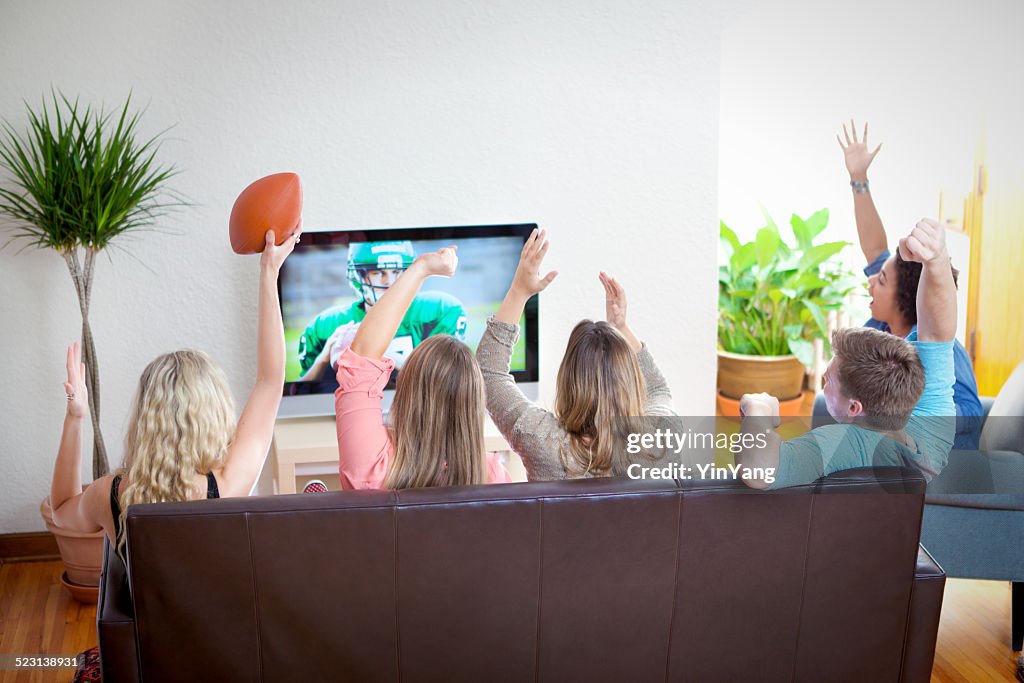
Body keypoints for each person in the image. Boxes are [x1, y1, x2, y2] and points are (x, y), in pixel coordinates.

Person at [49, 230, 299, 557]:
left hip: (145, 612)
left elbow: (62, 510)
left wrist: (75, 415)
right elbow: (271, 379)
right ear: (213, 414)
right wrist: (269, 271)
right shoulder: (226, 486)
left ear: (145, 416)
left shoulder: (110, 495)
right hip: (221, 611)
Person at [736, 219, 958, 489]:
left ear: (855, 407)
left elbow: (759, 473)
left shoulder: (844, 444)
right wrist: (937, 259)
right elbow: (937, 334)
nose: (822, 383)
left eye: (828, 380)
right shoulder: (933, 430)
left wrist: (758, 408)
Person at [476, 228, 676, 481]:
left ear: (569, 382)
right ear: (633, 381)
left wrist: (519, 291)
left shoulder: (544, 442)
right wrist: (622, 327)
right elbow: (658, 389)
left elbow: (488, 374)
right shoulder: (661, 439)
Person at [837, 120, 982, 449]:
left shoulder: (942, 353)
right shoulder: (883, 324)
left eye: (882, 279)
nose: (872, 279)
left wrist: (900, 410)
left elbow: (971, 413)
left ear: (906, 299)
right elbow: (875, 249)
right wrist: (858, 179)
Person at [334, 244, 511, 489]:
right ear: (474, 404)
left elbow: (362, 356)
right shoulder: (492, 475)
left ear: (407, 388)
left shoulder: (373, 468)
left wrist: (421, 268)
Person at [298, 240, 468, 380]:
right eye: (378, 272)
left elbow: (444, 386)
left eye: (396, 271)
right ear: (360, 276)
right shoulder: (327, 324)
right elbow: (297, 393)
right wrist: (322, 360)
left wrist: (378, 351)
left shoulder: (440, 310)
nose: (389, 281)